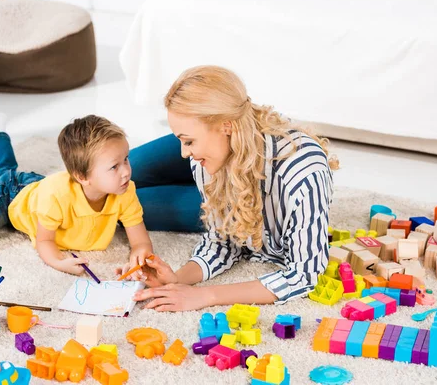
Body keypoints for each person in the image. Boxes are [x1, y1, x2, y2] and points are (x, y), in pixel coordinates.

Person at [120, 65, 338, 311]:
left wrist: (204, 296)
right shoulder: (200, 157)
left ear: (226, 126)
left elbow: (305, 274)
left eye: (188, 142)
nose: (184, 153)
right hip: (218, 153)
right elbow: (221, 242)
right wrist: (177, 279)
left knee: (125, 206)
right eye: (181, 140)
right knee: (116, 170)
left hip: (237, 161)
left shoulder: (303, 173)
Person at [0, 114, 153, 275]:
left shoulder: (124, 190)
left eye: (126, 159)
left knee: (7, 173)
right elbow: (44, 242)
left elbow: (140, 241)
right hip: (10, 195)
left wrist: (138, 256)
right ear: (82, 176)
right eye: (114, 166)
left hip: (34, 190)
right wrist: (58, 262)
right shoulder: (57, 196)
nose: (126, 172)